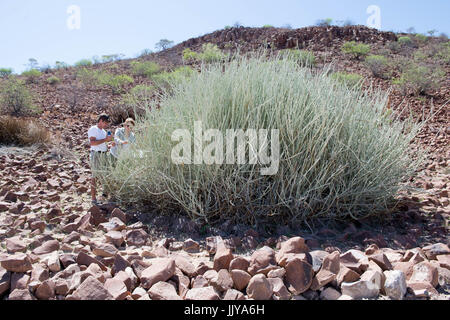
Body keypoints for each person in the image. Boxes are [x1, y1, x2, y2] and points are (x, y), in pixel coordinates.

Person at [88, 114, 113, 205]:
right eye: (105, 122)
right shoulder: (93, 129)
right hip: (96, 154)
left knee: (105, 174)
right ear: (101, 121)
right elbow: (93, 143)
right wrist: (105, 139)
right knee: (95, 176)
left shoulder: (103, 131)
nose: (106, 125)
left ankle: (104, 195)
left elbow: (103, 143)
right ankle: (93, 199)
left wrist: (109, 145)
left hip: (104, 154)